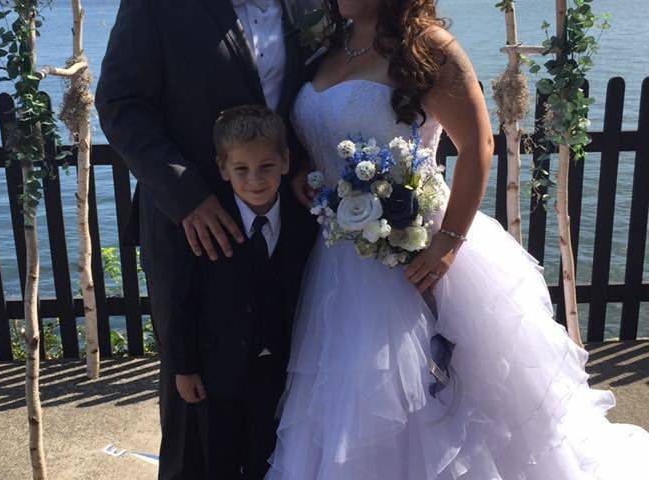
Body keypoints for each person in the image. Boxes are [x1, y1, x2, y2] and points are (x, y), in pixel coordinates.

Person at [267, 1, 649, 478]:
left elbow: (478, 144)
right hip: (338, 264)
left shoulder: (427, 46)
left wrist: (448, 242)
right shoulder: (329, 44)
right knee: (350, 405)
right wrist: (307, 170)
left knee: (443, 406)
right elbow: (319, 130)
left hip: (418, 253)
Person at [94, 0, 313, 477]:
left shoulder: (309, 5)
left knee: (277, 402)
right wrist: (186, 194)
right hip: (192, 228)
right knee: (197, 415)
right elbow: (119, 104)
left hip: (285, 219)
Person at [170, 105, 314, 480]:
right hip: (219, 375)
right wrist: (184, 368)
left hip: (281, 373)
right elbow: (182, 302)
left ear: (285, 161)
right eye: (241, 170)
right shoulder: (203, 226)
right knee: (217, 461)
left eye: (266, 166)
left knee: (267, 459)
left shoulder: (306, 221)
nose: (255, 180)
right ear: (222, 168)